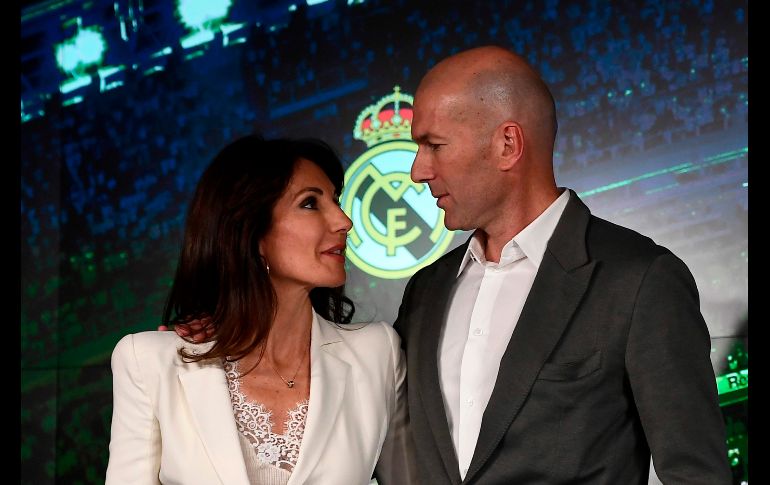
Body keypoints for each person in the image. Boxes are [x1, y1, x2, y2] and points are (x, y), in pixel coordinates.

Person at [393, 45, 732, 484]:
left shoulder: (639, 279)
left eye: (434, 145)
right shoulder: (426, 289)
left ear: (508, 144)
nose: (419, 171)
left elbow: (697, 476)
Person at [105, 134, 416, 485]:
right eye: (311, 204)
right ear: (252, 233)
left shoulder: (378, 353)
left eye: (335, 200)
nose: (343, 220)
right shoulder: (148, 361)